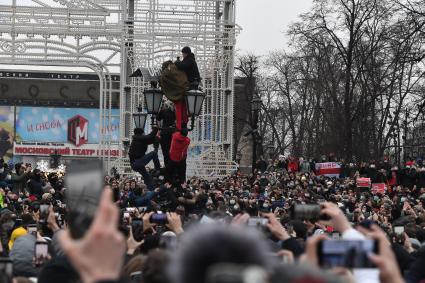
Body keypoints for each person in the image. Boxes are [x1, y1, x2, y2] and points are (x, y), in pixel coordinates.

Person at [174, 46, 201, 130]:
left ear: (187, 53)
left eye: (184, 53)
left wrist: (177, 63)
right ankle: (186, 119)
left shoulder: (190, 60)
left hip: (192, 84)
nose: (183, 55)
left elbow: (183, 66)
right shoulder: (189, 60)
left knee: (185, 102)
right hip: (191, 84)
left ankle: (185, 120)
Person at [128, 127, 161, 191]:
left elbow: (150, 139)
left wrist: (157, 138)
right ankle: (158, 169)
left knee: (147, 177)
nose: (144, 134)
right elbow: (149, 137)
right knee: (154, 153)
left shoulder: (139, 139)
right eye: (143, 133)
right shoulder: (138, 137)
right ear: (141, 133)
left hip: (136, 164)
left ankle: (152, 191)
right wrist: (155, 129)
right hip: (137, 162)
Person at [156, 100, 176, 166]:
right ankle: (171, 167)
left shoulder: (164, 111)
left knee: (165, 153)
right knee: (172, 152)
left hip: (164, 133)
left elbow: (158, 118)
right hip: (172, 133)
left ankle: (167, 166)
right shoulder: (175, 112)